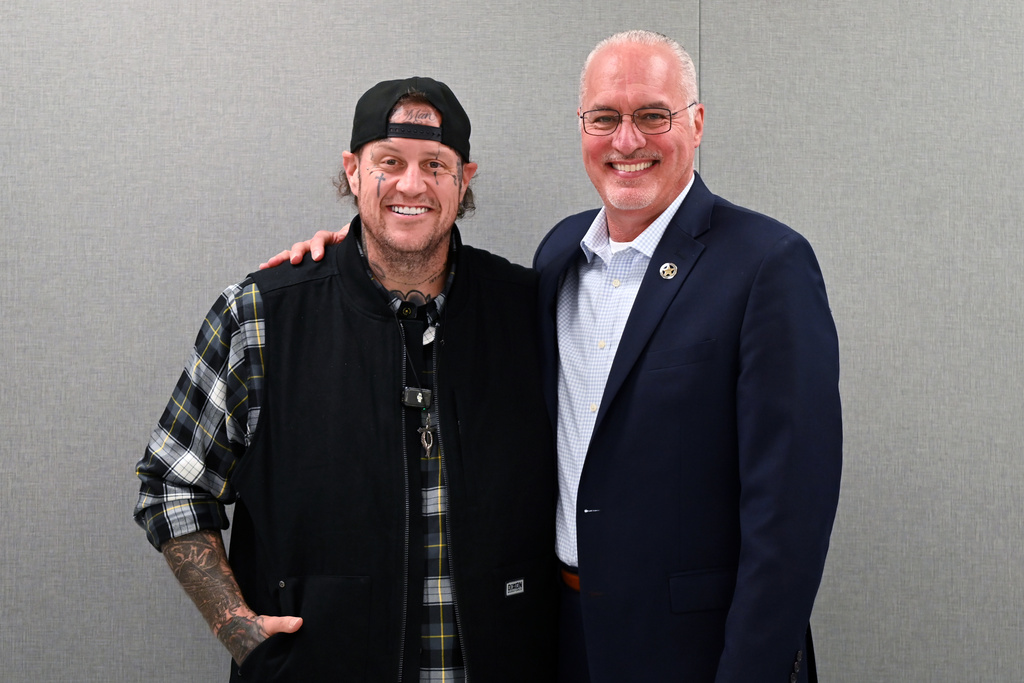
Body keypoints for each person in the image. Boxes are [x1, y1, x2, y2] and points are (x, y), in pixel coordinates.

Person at [268, 29, 842, 683]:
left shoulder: (766, 264)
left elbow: (789, 519)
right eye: (605, 118)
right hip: (560, 637)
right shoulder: (559, 256)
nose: (627, 140)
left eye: (653, 115)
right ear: (582, 127)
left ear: (697, 122)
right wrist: (353, 251)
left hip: (694, 648)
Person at [134, 77, 558, 682]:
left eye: (435, 165)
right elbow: (172, 484)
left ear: (464, 180)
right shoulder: (261, 316)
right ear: (353, 172)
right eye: (390, 162)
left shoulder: (528, 311)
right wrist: (236, 626)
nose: (411, 185)